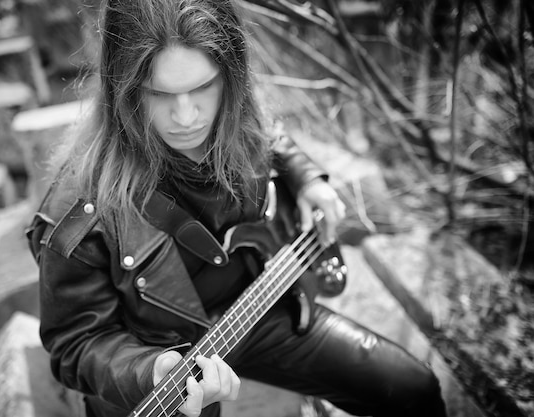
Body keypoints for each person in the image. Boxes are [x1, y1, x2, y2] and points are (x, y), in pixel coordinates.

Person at [26, 1, 448, 416]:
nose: (186, 116)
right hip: (162, 364)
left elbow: (270, 136)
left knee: (415, 389)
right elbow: (75, 343)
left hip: (260, 308)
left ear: (232, 76)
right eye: (159, 94)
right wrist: (149, 371)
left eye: (203, 87)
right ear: (123, 88)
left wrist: (307, 178)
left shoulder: (234, 115)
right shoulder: (78, 209)